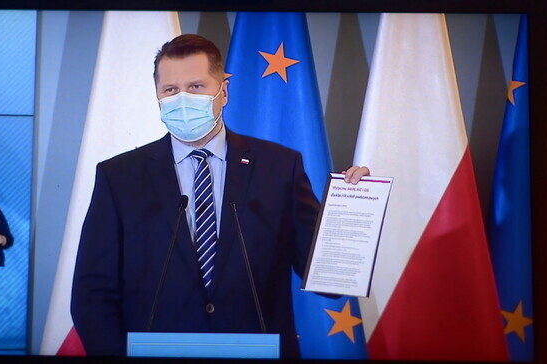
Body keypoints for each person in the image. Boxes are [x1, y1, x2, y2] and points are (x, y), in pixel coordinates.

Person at [71, 34, 369, 358]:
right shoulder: (120, 177)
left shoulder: (280, 167)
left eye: (196, 86)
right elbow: (91, 294)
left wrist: (351, 207)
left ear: (223, 92)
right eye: (170, 90)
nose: (182, 99)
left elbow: (330, 282)